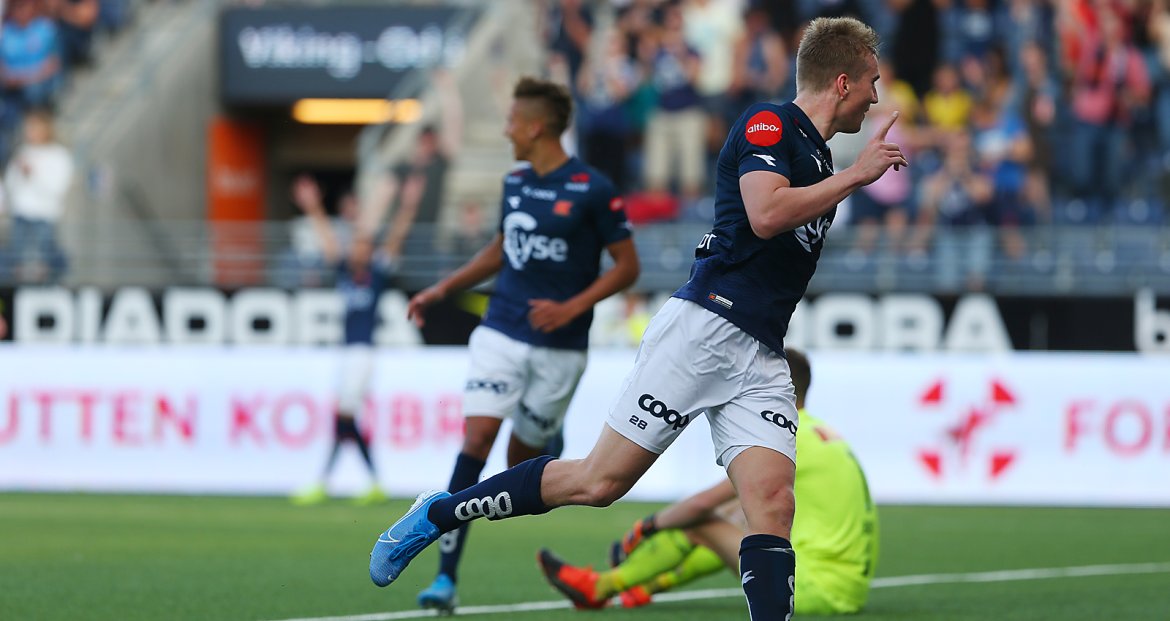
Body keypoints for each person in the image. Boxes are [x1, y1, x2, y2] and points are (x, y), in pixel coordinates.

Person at [369, 18, 905, 621]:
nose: (877, 96)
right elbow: (764, 213)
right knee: (599, 483)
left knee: (774, 504)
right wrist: (856, 176)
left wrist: (844, 173)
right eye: (872, 82)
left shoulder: (819, 155)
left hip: (761, 353)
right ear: (841, 82)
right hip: (705, 328)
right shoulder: (769, 123)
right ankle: (441, 512)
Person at [404, 76, 640, 613]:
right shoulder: (515, 181)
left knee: (522, 463)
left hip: (561, 344)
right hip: (502, 328)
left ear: (535, 127)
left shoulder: (593, 189)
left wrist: (573, 307)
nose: (507, 129)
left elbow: (629, 267)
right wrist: (444, 287)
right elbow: (500, 248)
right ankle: (444, 576)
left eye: (511, 120)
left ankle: (545, 435)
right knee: (477, 439)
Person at [536, 348, 880, 615]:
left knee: (697, 523)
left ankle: (600, 588)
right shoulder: (821, 433)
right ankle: (643, 586)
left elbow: (701, 506)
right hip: (846, 589)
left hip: (812, 589)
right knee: (740, 522)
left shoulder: (786, 439)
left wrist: (645, 528)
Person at [290, 174, 390, 507]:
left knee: (345, 417)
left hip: (363, 353)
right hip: (347, 353)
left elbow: (388, 234)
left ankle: (334, 481)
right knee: (344, 419)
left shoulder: (375, 277)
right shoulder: (346, 272)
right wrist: (313, 206)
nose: (355, 248)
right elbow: (328, 240)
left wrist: (385, 200)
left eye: (362, 244)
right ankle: (364, 481)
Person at [3, 109, 73, 284]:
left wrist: (33, 175)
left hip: (43, 219)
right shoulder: (23, 151)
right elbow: (11, 184)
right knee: (15, 267)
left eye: (34, 127)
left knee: (45, 268)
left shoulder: (59, 156)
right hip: (20, 217)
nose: (29, 132)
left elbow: (57, 189)